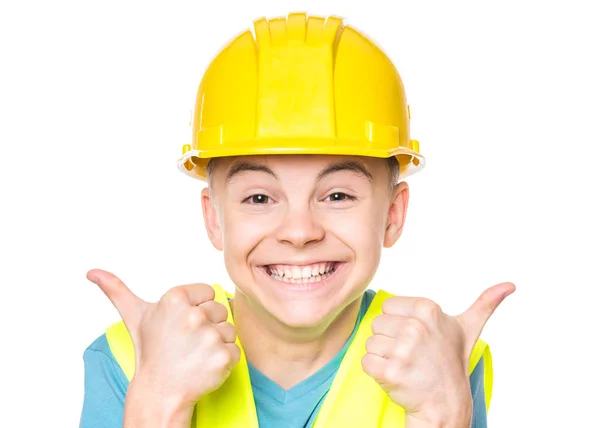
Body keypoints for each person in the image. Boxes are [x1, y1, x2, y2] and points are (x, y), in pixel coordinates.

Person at [80, 12, 515, 428]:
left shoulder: (437, 357)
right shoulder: (131, 357)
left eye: (338, 195)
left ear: (393, 215)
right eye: (259, 197)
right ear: (214, 218)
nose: (300, 232)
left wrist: (442, 414)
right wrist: (158, 402)